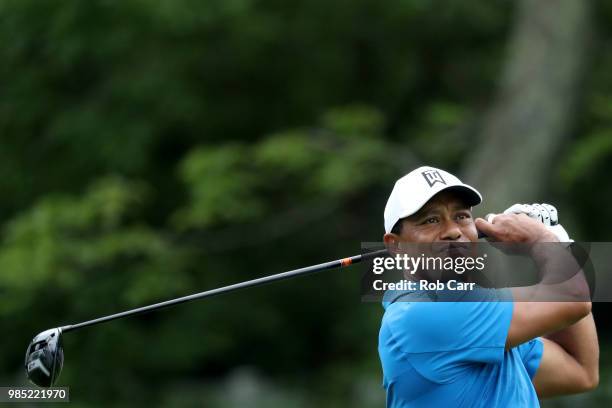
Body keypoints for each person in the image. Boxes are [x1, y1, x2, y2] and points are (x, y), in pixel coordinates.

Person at [378, 166, 599, 407]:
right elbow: (574, 300)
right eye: (431, 220)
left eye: (461, 216)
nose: (453, 231)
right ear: (395, 246)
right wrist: (545, 241)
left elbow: (581, 371)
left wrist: (556, 241)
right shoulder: (421, 313)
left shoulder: (486, 324)